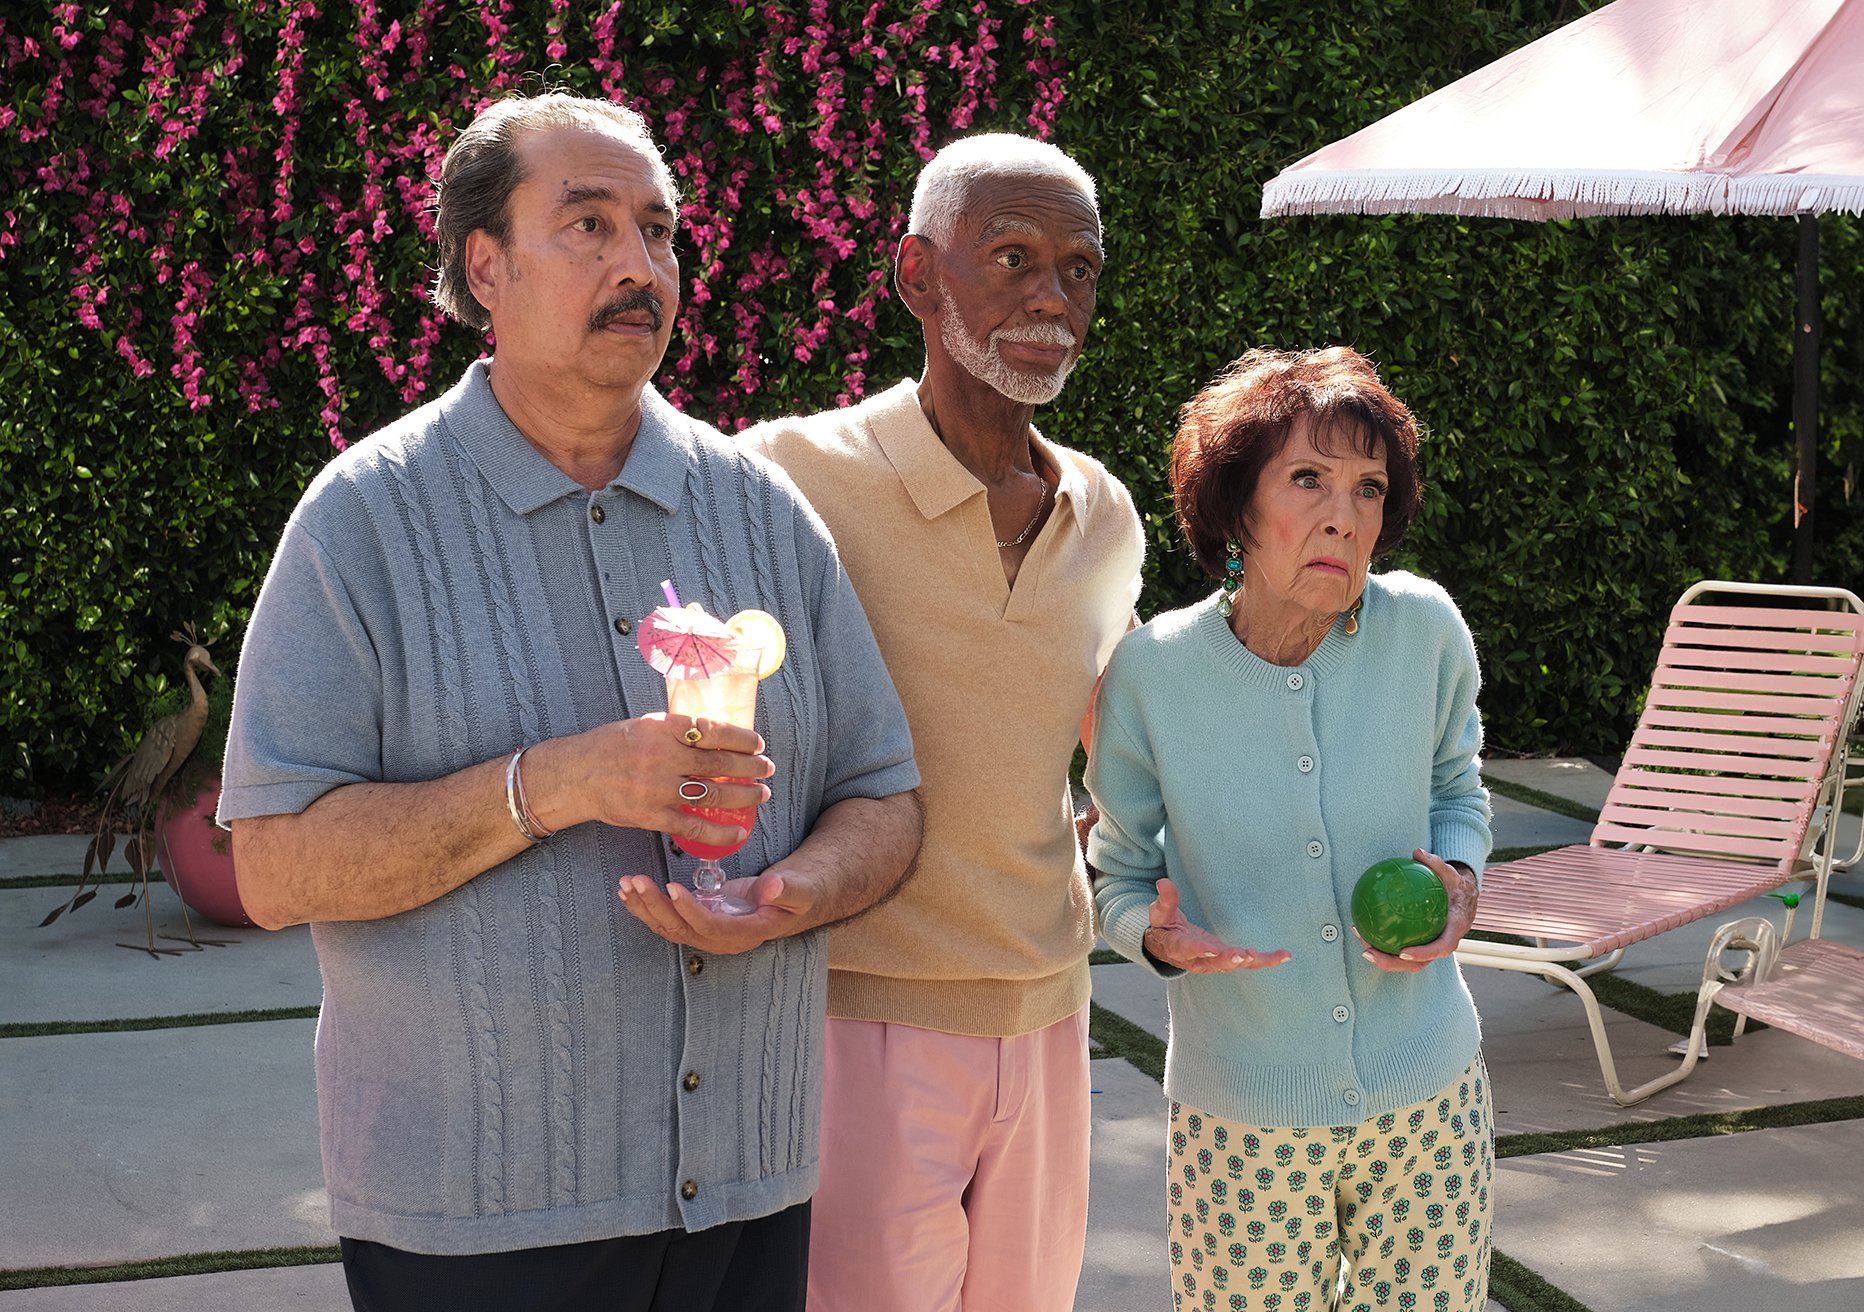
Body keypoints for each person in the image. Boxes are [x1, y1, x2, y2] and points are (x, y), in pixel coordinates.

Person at [219, 92, 923, 1312]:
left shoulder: (764, 514)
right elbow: (274, 868)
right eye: (587, 225)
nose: (638, 265)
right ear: (482, 265)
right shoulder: (364, 522)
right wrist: (551, 786)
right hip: (475, 1225)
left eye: (656, 231)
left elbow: (883, 796)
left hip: (745, 1194)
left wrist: (793, 891)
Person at [747, 134, 1144, 1312]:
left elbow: (1109, 743)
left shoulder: (1105, 514)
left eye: (1078, 269)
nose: (1050, 298)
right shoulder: (786, 475)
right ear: (918, 277)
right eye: (1012, 256)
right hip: (860, 1010)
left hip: (1052, 1006)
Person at [1087, 346, 1494, 1312]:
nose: (1342, 515)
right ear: (1236, 506)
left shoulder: (1425, 629)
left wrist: (1462, 886)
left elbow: (1457, 791)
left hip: (1427, 1093)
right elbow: (1114, 875)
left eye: (1367, 488)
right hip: (1245, 1117)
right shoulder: (1151, 676)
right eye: (1307, 478)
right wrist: (1153, 935)